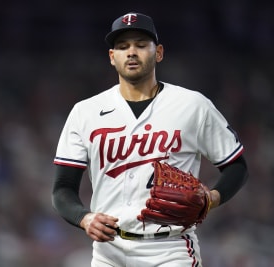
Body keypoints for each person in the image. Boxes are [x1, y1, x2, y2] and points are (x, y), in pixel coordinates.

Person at [52, 12, 249, 267]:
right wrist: (84, 218)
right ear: (112, 57)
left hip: (170, 248)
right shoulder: (85, 112)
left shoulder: (192, 105)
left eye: (141, 45)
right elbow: (62, 189)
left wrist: (211, 198)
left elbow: (236, 166)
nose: (131, 52)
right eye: (123, 47)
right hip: (108, 251)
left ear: (159, 53)